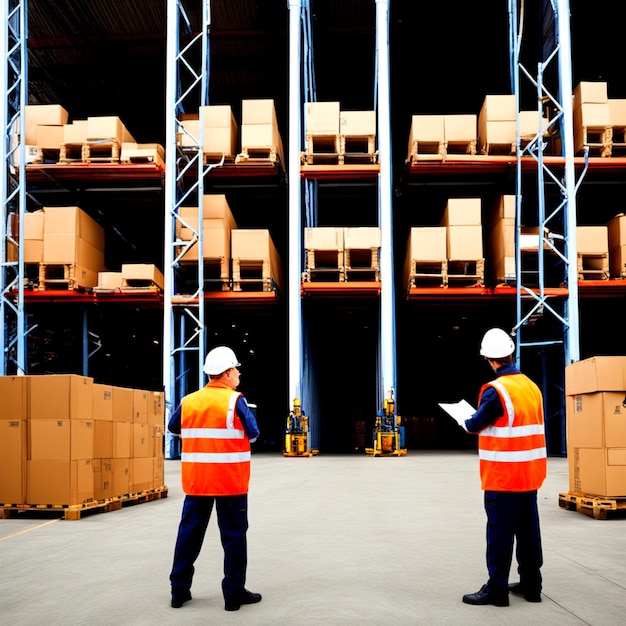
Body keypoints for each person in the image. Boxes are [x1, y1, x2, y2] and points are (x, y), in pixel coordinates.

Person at [168, 345, 262, 612]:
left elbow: (173, 427)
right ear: (227, 373)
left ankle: (179, 591)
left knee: (188, 535)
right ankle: (233, 595)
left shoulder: (189, 401)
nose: (239, 375)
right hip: (230, 483)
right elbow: (253, 433)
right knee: (233, 537)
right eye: (237, 370)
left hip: (197, 482)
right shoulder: (235, 401)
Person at [460, 328, 547, 608]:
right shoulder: (531, 386)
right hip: (529, 475)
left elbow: (475, 424)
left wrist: (464, 419)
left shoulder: (496, 391)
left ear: (488, 358)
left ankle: (497, 589)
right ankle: (532, 585)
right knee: (528, 530)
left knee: (499, 533)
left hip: (504, 476)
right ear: (511, 353)